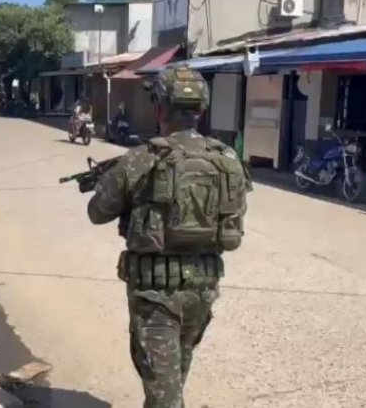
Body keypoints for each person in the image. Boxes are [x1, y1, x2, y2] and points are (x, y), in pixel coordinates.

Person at [86, 66, 252, 407]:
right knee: (171, 380)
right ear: (201, 110)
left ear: (161, 107)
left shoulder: (141, 159)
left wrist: (111, 183)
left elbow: (97, 213)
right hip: (202, 291)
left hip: (155, 293)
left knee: (165, 396)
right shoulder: (228, 160)